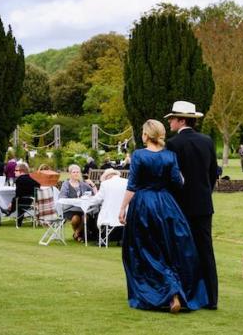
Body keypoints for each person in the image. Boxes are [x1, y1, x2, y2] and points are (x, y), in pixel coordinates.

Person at [119, 119, 208, 313]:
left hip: (143, 205)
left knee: (144, 251)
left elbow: (132, 185)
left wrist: (122, 208)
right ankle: (175, 290)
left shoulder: (139, 155)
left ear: (145, 135)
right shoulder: (169, 156)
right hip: (167, 205)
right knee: (169, 249)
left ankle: (166, 291)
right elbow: (179, 182)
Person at [164, 100, 219, 310]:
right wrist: (204, 192)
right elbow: (213, 172)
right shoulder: (207, 141)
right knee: (206, 250)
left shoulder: (173, 144)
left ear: (182, 120)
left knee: (182, 251)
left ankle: (188, 296)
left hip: (180, 206)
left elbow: (172, 177)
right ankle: (212, 299)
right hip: (204, 204)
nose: (170, 123)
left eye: (172, 119)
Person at [59, 164, 97, 242]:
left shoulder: (83, 184)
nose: (76, 174)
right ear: (70, 173)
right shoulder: (66, 184)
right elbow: (62, 197)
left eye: (77, 172)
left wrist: (92, 184)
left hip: (81, 209)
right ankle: (78, 234)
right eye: (74, 172)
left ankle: (76, 233)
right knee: (75, 219)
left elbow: (94, 194)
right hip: (70, 208)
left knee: (85, 217)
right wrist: (75, 200)